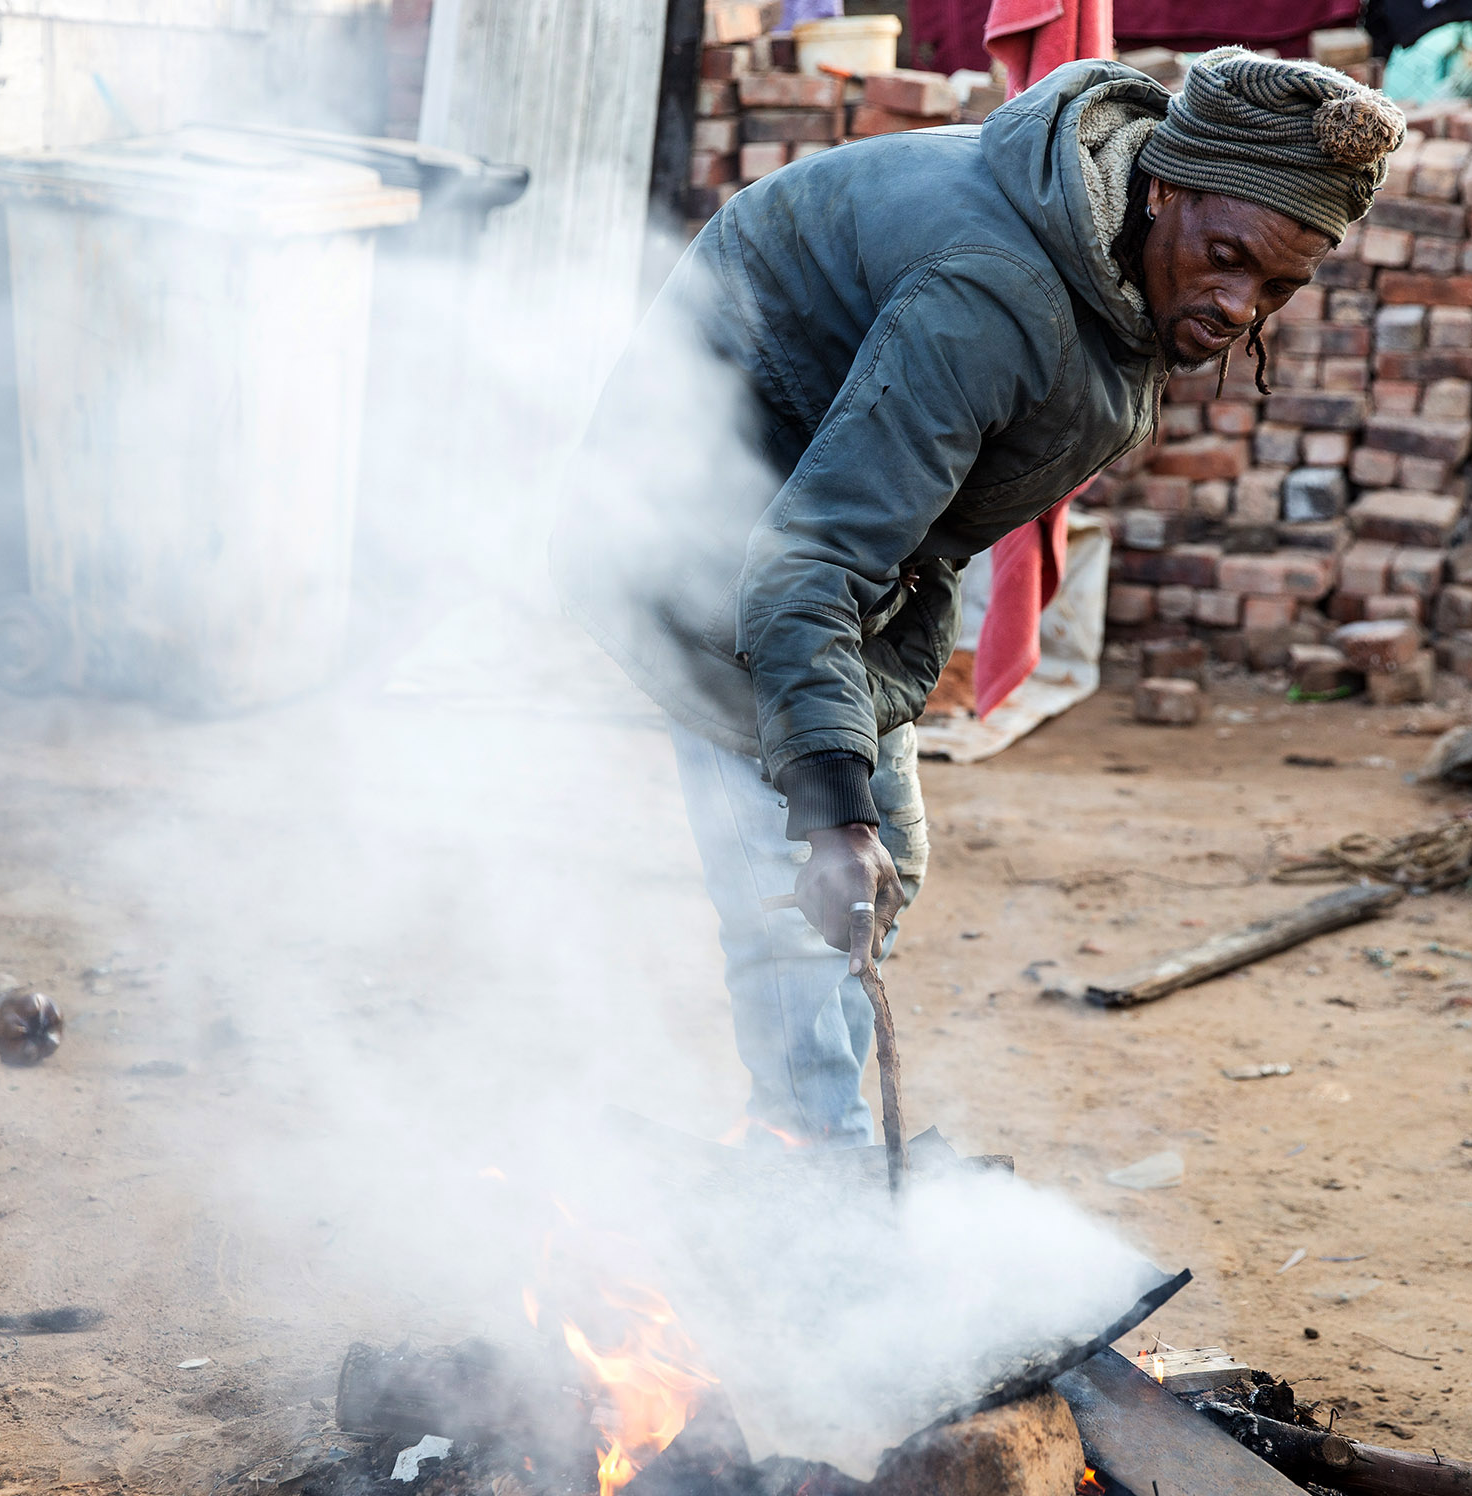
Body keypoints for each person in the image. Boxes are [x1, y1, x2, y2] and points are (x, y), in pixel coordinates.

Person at [554, 48, 1403, 1146]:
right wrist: (827, 809)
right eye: (1227, 258)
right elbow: (806, 561)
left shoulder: (1116, 250)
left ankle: (817, 1125)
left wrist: (854, 817)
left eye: (1279, 287)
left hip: (829, 532)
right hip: (692, 536)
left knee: (881, 864)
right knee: (805, 868)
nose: (1240, 307)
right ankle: (810, 1166)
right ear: (1164, 187)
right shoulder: (995, 294)